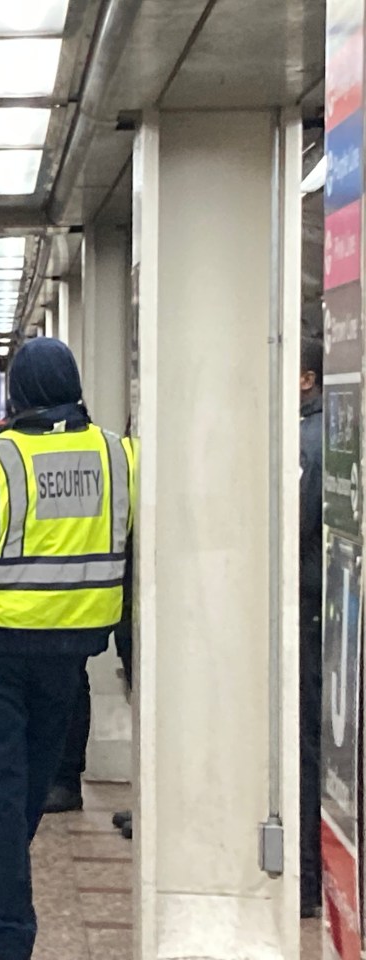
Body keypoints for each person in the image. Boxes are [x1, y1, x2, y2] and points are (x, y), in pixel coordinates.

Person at [0, 338, 133, 960]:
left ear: (14, 394)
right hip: (69, 659)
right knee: (19, 803)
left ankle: (11, 940)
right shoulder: (120, 456)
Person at [299, 335, 324, 918]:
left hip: (302, 602)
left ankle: (304, 876)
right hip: (323, 602)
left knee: (301, 741)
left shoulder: (306, 440)